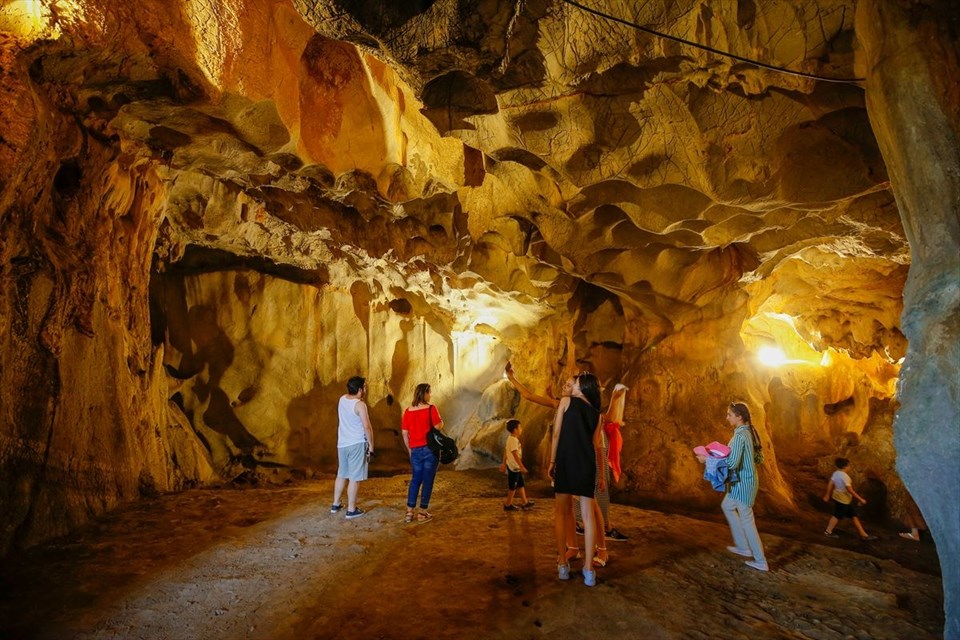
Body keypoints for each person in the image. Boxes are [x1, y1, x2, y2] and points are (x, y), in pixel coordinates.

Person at [550, 372, 604, 587]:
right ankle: (589, 570)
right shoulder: (598, 414)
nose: (573, 385)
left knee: (561, 513)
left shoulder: (566, 402)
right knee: (588, 517)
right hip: (586, 465)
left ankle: (563, 564)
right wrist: (598, 473)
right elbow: (595, 444)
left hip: (565, 461)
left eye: (577, 383)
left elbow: (556, 435)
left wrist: (552, 461)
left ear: (583, 388)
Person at [714, 402, 768, 571]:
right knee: (727, 506)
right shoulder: (749, 431)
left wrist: (709, 459)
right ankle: (743, 546)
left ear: (739, 417)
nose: (727, 417)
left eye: (730, 414)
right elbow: (758, 458)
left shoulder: (739, 437)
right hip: (742, 483)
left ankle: (760, 560)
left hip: (743, 484)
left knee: (747, 520)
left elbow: (731, 462)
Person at [331, 376, 375, 519]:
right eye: (365, 387)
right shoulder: (360, 405)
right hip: (356, 444)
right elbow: (367, 427)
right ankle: (351, 510)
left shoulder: (342, 399)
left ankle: (336, 504)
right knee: (355, 478)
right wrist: (371, 446)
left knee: (342, 474)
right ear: (360, 389)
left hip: (342, 444)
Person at [401, 383, 443, 523]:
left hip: (415, 450)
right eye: (429, 392)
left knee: (415, 479)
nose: (430, 395)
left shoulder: (408, 411)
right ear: (425, 393)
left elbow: (405, 433)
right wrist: (441, 423)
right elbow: (438, 426)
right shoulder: (431, 408)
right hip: (430, 450)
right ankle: (422, 513)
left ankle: (409, 512)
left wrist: (410, 450)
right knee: (428, 480)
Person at [823, 458, 878, 541]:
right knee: (837, 516)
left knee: (854, 516)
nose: (850, 467)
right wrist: (860, 499)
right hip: (843, 500)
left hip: (838, 497)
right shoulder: (845, 477)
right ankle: (828, 532)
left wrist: (827, 495)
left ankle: (864, 535)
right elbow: (849, 490)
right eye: (849, 465)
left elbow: (831, 483)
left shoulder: (836, 473)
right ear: (845, 466)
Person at [499, 419, 535, 511]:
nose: (521, 429)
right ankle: (508, 505)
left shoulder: (510, 438)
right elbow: (515, 455)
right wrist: (522, 466)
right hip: (514, 467)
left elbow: (506, 451)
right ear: (515, 430)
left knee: (520, 484)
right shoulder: (513, 440)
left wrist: (503, 463)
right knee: (513, 487)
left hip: (514, 467)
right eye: (520, 427)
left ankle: (525, 502)